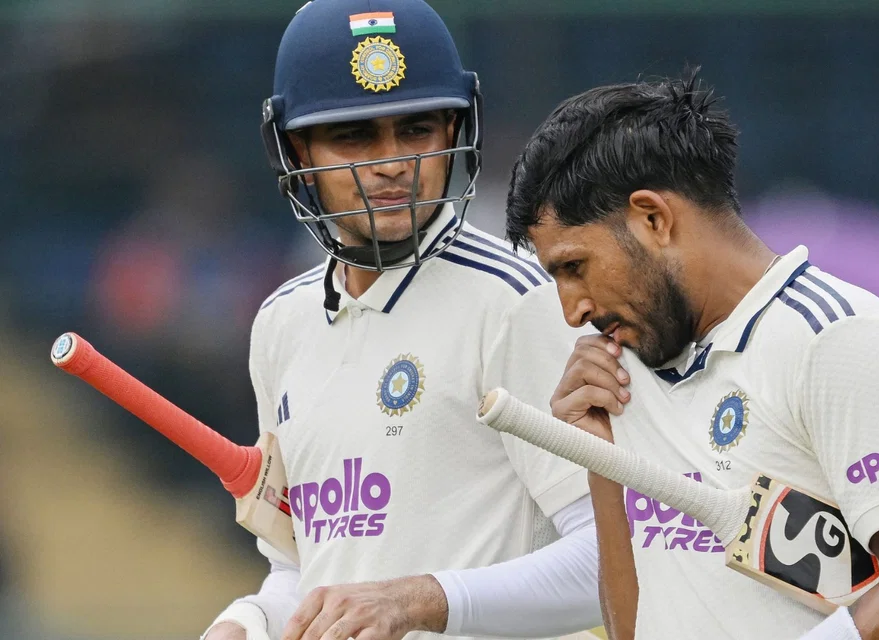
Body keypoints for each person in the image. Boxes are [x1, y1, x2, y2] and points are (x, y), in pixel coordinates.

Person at [504, 68, 879, 640]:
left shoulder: (838, 340)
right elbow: (635, 626)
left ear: (653, 218)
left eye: (574, 267)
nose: (572, 310)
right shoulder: (626, 371)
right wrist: (601, 460)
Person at [203, 1, 603, 639]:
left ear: (453, 132)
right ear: (295, 148)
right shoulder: (281, 324)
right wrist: (246, 621)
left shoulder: (520, 301)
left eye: (415, 129)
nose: (392, 163)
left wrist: (419, 602)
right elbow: (301, 568)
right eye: (355, 135)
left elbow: (611, 562)